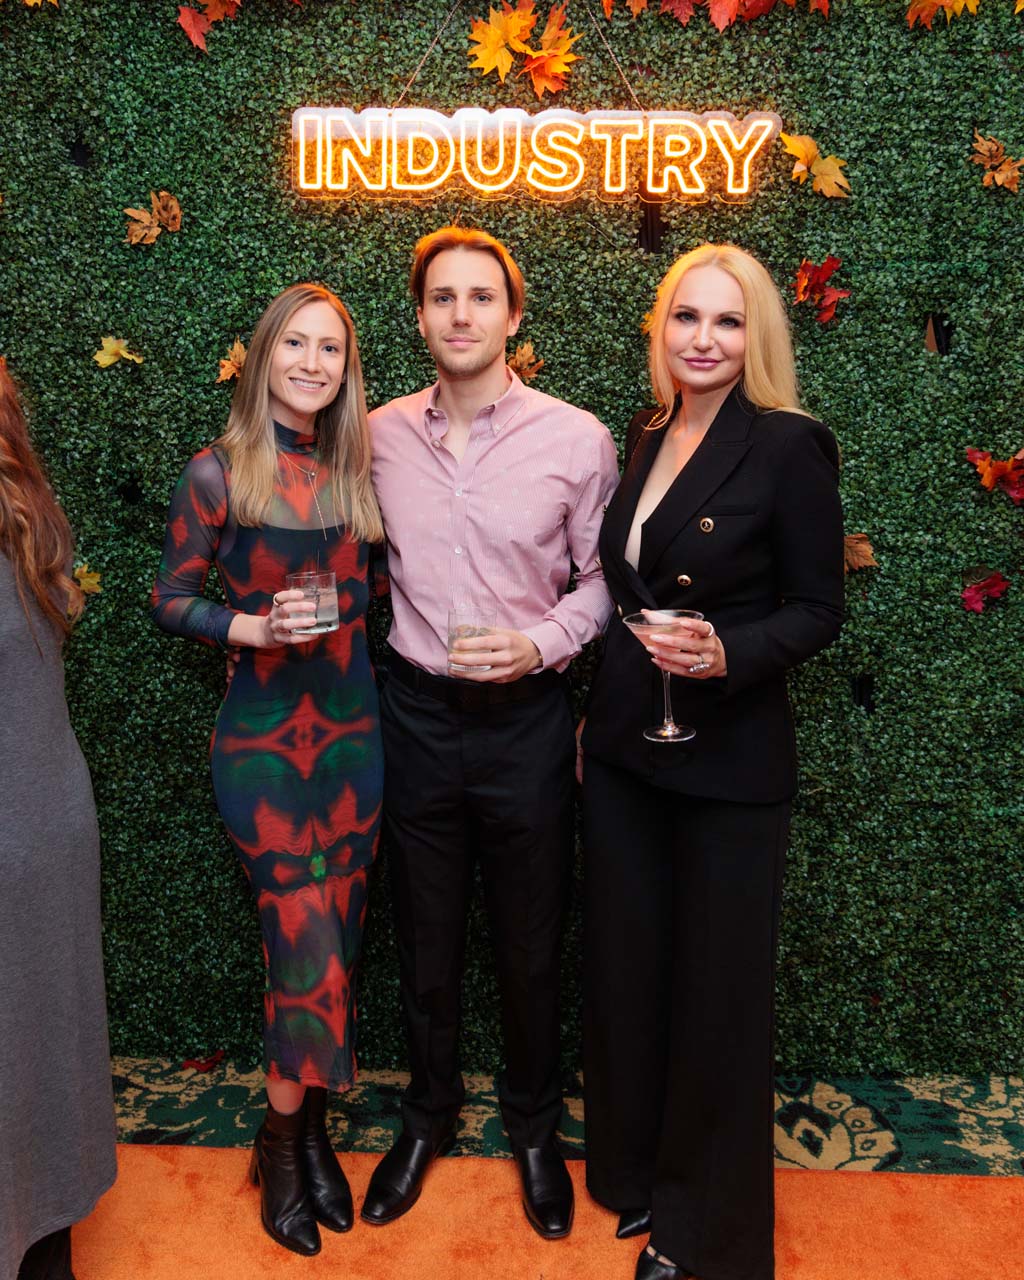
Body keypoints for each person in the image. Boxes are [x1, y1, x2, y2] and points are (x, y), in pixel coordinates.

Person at [579, 244, 844, 1280]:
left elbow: (818, 608)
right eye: (686, 317)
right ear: (661, 327)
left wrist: (731, 652)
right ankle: (639, 1177)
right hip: (625, 753)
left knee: (716, 995)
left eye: (728, 321)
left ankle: (703, 1238)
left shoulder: (787, 444)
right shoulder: (649, 431)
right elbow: (629, 593)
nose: (703, 338)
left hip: (729, 761)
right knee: (628, 970)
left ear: (755, 336)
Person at [363, 226, 619, 1239]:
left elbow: (603, 584)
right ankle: (426, 1116)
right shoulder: (376, 434)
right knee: (423, 936)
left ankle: (532, 1128)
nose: (461, 313)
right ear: (421, 317)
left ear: (514, 315)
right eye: (442, 297)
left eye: (481, 297)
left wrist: (540, 644)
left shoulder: (577, 439)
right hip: (415, 717)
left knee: (529, 939)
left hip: (526, 722)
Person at [152, 284, 384, 1257]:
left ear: (346, 369)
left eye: (330, 348)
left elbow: (380, 594)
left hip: (354, 741)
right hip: (260, 746)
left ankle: (311, 1133)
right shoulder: (217, 472)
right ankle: (282, 1146)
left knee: (341, 941)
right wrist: (245, 627)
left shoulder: (359, 470)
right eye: (295, 342)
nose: (311, 363)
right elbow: (169, 596)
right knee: (304, 951)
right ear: (262, 355)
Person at [0, 361, 117, 1280]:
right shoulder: (29, 511)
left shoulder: (28, 513)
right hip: (40, 810)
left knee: (36, 1037)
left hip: (35, 819)